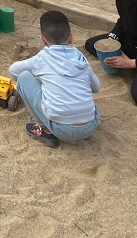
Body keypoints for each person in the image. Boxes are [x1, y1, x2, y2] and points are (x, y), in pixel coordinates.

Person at [9, 10, 101, 148]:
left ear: (43, 39)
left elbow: (13, 70)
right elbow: (96, 87)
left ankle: (44, 129)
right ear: (71, 37)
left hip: (62, 129)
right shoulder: (80, 57)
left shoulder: (42, 58)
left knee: (23, 77)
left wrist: (40, 78)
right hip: (90, 126)